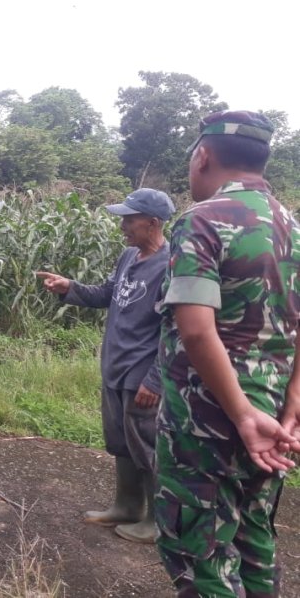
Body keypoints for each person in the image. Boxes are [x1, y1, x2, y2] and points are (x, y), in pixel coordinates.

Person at [156, 110, 300, 597]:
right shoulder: (293, 227)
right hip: (273, 415)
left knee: (202, 554)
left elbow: (196, 332)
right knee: (254, 541)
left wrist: (240, 414)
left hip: (209, 420)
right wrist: (294, 399)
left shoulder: (202, 219)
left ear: (203, 156)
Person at [37, 188, 175, 544]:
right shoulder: (129, 255)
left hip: (142, 371)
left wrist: (157, 379)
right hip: (115, 363)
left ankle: (158, 522)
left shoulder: (173, 265)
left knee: (147, 445)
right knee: (120, 441)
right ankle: (127, 507)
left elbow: (176, 328)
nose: (122, 226)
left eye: (129, 219)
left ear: (153, 223)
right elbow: (106, 294)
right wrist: (69, 287)